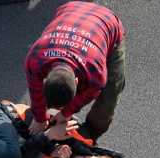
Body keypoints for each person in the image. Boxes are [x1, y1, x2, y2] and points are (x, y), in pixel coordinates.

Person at [24, 1, 126, 142]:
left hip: (108, 24)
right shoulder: (35, 59)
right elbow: (35, 92)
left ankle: (89, 136)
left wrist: (66, 113)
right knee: (46, 103)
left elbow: (90, 94)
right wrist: (39, 118)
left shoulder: (96, 75)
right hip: (70, 10)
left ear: (77, 81)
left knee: (110, 96)